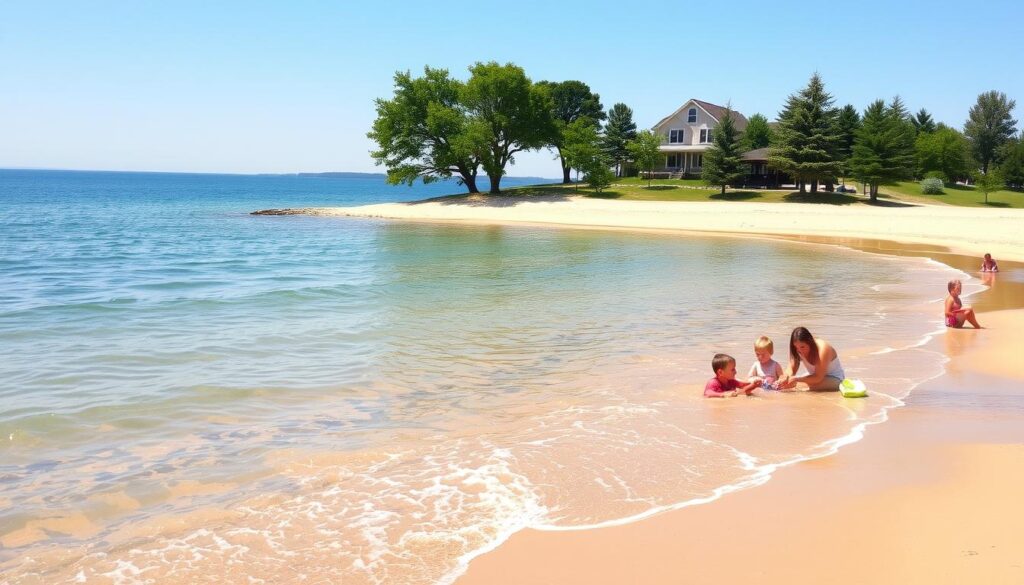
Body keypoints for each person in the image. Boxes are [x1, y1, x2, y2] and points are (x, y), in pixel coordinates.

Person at [777, 327, 845, 392]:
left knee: (797, 386)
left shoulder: (823, 348)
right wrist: (786, 377)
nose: (799, 350)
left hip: (835, 378)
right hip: (814, 377)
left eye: (802, 347)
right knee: (786, 384)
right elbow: (791, 368)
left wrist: (796, 379)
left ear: (810, 342)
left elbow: (818, 377)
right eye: (796, 347)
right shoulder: (797, 349)